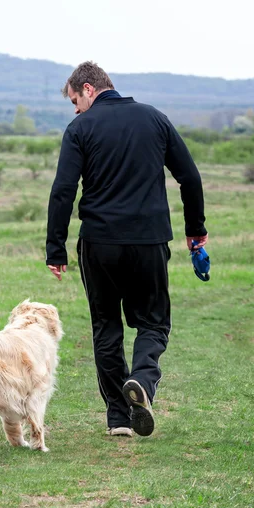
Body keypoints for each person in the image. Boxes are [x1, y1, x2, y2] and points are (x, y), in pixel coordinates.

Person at [45, 61, 208, 438]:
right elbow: (190, 177)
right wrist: (195, 231)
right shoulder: (154, 119)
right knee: (153, 323)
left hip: (99, 244)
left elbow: (63, 192)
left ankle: (119, 417)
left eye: (74, 100)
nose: (74, 109)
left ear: (88, 89)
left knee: (106, 326)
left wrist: (56, 248)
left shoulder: (80, 128)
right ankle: (142, 383)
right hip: (149, 241)